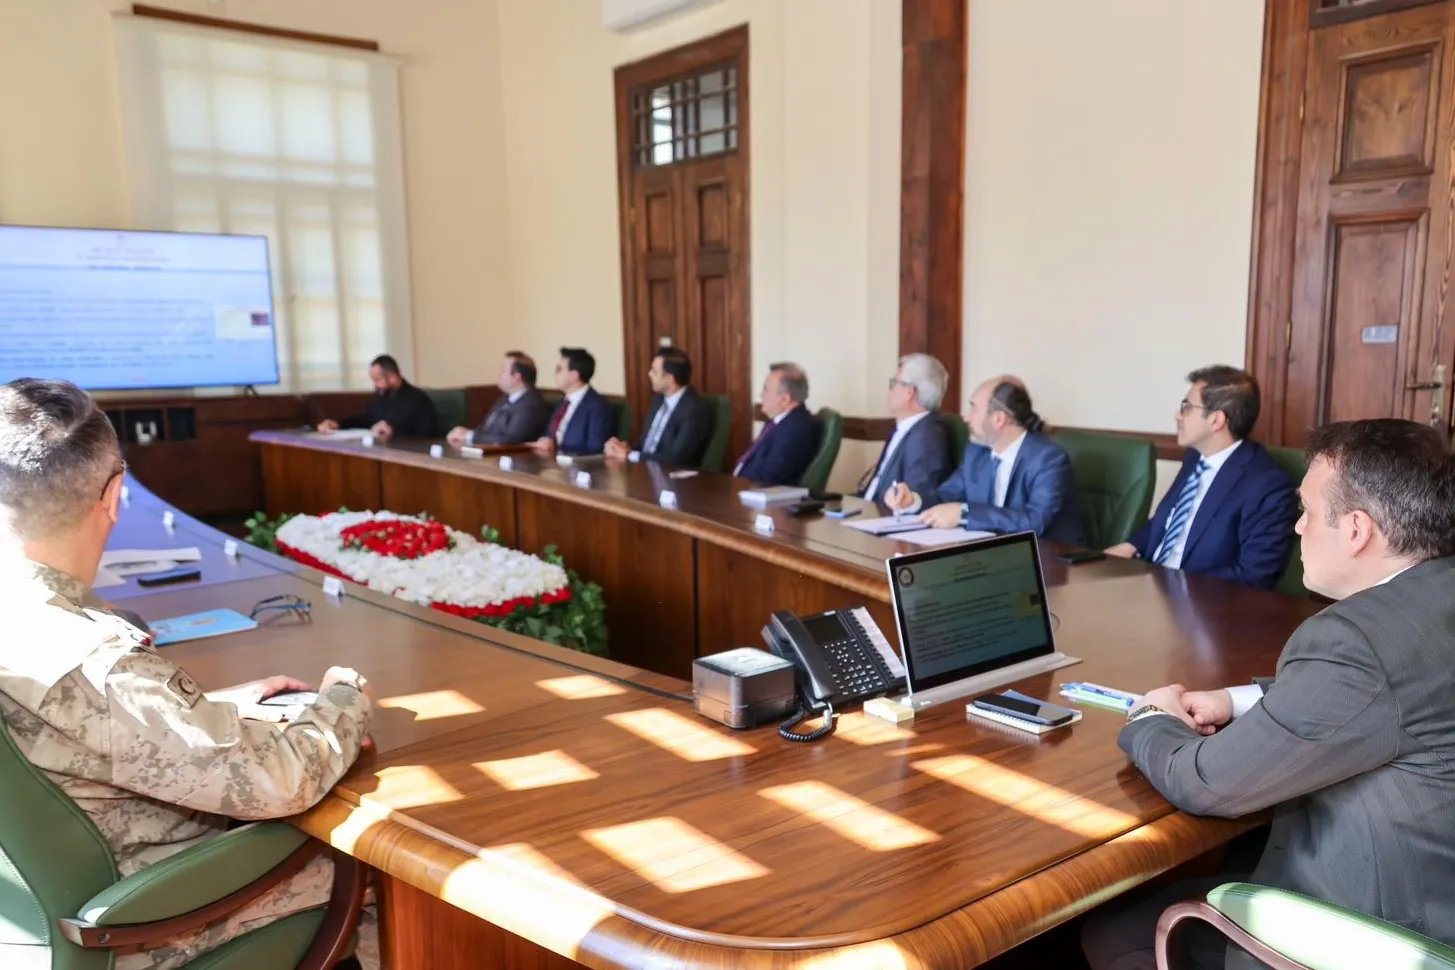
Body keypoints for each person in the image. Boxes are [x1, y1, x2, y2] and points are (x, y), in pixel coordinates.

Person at [0, 378, 375, 970]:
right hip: (146, 920)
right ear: (115, 495)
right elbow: (279, 780)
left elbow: (78, 727)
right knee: (387, 875)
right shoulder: (94, 660)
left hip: (27, 926)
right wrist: (342, 699)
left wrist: (208, 709)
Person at [1082, 419, 1455, 970]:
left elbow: (1204, 782)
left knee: (1115, 931)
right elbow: (1392, 690)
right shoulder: (1432, 599)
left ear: (1356, 530)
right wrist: (1234, 701)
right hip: (1438, 889)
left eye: (1307, 511)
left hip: (1382, 929)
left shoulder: (1356, 640)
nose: (1298, 527)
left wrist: (1149, 717)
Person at [1107, 366, 1297, 589]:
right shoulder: (1194, 457)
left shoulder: (1267, 484)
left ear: (1216, 420)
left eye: (1186, 407)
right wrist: (1129, 546)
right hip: (1149, 582)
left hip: (1198, 599)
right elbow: (1168, 519)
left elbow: (1255, 575)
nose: (1178, 416)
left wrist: (1174, 585)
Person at [885, 376, 1086, 546]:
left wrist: (964, 514)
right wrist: (912, 500)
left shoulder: (1048, 458)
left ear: (999, 419)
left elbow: (1034, 521)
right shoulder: (977, 453)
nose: (966, 418)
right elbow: (946, 496)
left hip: (1052, 561)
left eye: (973, 409)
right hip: (997, 555)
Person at [857, 353, 953, 506]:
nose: (890, 390)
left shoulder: (926, 437)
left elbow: (915, 497)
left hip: (883, 516)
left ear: (910, 391)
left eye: (894, 383)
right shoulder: (904, 427)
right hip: (867, 508)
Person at [604, 348, 713, 466]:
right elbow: (646, 446)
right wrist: (622, 448)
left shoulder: (694, 410)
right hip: (645, 468)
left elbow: (676, 458)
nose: (649, 374)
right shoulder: (658, 400)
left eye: (654, 371)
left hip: (672, 474)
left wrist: (629, 455)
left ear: (670, 378)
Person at [316, 354, 438, 442]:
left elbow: (426, 434)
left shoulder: (418, 399)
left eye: (377, 380)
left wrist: (393, 431)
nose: (375, 385)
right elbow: (363, 419)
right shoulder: (381, 396)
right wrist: (337, 424)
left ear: (392, 377)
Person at [732, 362, 818, 486]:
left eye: (766, 390)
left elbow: (769, 476)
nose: (761, 395)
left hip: (756, 492)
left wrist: (733, 485)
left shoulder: (797, 429)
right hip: (741, 485)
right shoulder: (779, 421)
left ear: (785, 399)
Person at [446, 351, 551, 448]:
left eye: (503, 370)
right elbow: (486, 428)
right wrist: (465, 434)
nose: (499, 374)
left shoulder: (531, 405)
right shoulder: (505, 399)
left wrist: (470, 436)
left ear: (516, 378)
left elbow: (510, 440)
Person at [531, 347, 615, 458]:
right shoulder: (563, 402)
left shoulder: (598, 407)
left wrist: (556, 449)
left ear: (574, 375)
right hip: (550, 461)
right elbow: (550, 434)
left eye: (559, 369)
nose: (555, 374)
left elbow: (595, 449)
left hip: (576, 465)